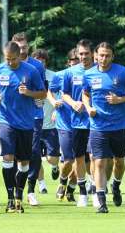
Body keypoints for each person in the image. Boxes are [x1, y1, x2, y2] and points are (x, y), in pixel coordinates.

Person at [82, 42, 125, 213]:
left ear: (112, 56)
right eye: (101, 55)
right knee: (99, 162)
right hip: (98, 126)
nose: (103, 58)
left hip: (118, 126)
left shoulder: (123, 72)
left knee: (119, 163)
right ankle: (101, 201)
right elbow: (85, 94)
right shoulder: (89, 74)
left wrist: (120, 100)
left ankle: (116, 185)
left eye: (107, 55)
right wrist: (88, 108)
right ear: (96, 56)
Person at [0, 41, 46, 213]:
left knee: (24, 162)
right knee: (7, 157)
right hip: (6, 120)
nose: (10, 62)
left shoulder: (31, 71)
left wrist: (29, 93)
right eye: (7, 59)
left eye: (13, 59)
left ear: (19, 56)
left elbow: (42, 92)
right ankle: (10, 198)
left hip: (26, 122)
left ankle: (20, 195)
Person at [11, 32, 47, 206]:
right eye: (18, 47)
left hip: (34, 115)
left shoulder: (37, 66)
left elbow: (43, 91)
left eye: (24, 47)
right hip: (13, 117)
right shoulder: (7, 65)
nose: (22, 50)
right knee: (15, 155)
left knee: (33, 152)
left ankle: (31, 190)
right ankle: (15, 190)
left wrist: (36, 96)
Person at [61, 39, 95, 207]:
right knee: (79, 157)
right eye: (80, 54)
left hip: (97, 123)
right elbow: (64, 94)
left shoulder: (100, 71)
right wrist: (73, 103)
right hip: (77, 123)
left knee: (96, 157)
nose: (83, 57)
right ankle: (82, 192)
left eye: (86, 53)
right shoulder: (70, 73)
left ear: (93, 54)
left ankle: (96, 189)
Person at [48, 49, 80, 202]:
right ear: (68, 62)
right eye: (73, 59)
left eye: (78, 58)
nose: (76, 61)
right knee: (68, 159)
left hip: (84, 124)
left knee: (81, 160)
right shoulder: (60, 75)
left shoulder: (87, 74)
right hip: (65, 123)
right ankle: (62, 181)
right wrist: (54, 103)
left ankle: (72, 189)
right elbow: (50, 91)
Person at [31, 49, 60, 194]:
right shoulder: (28, 74)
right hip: (34, 123)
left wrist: (57, 109)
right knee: (35, 157)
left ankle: (55, 167)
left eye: (42, 60)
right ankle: (41, 185)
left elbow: (60, 96)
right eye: (36, 60)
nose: (39, 63)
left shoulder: (53, 76)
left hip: (50, 124)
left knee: (52, 158)